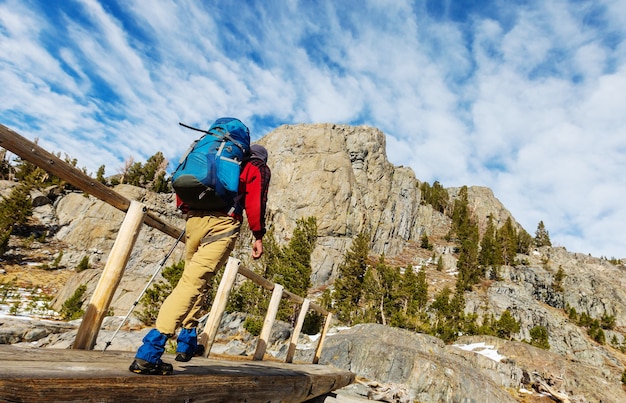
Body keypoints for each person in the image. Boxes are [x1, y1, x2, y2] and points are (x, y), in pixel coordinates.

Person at [129, 143, 271, 375]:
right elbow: (256, 202)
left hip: (194, 222)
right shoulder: (256, 166)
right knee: (193, 284)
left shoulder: (219, 158)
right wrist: (258, 235)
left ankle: (187, 344)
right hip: (222, 225)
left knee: (195, 281)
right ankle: (149, 353)